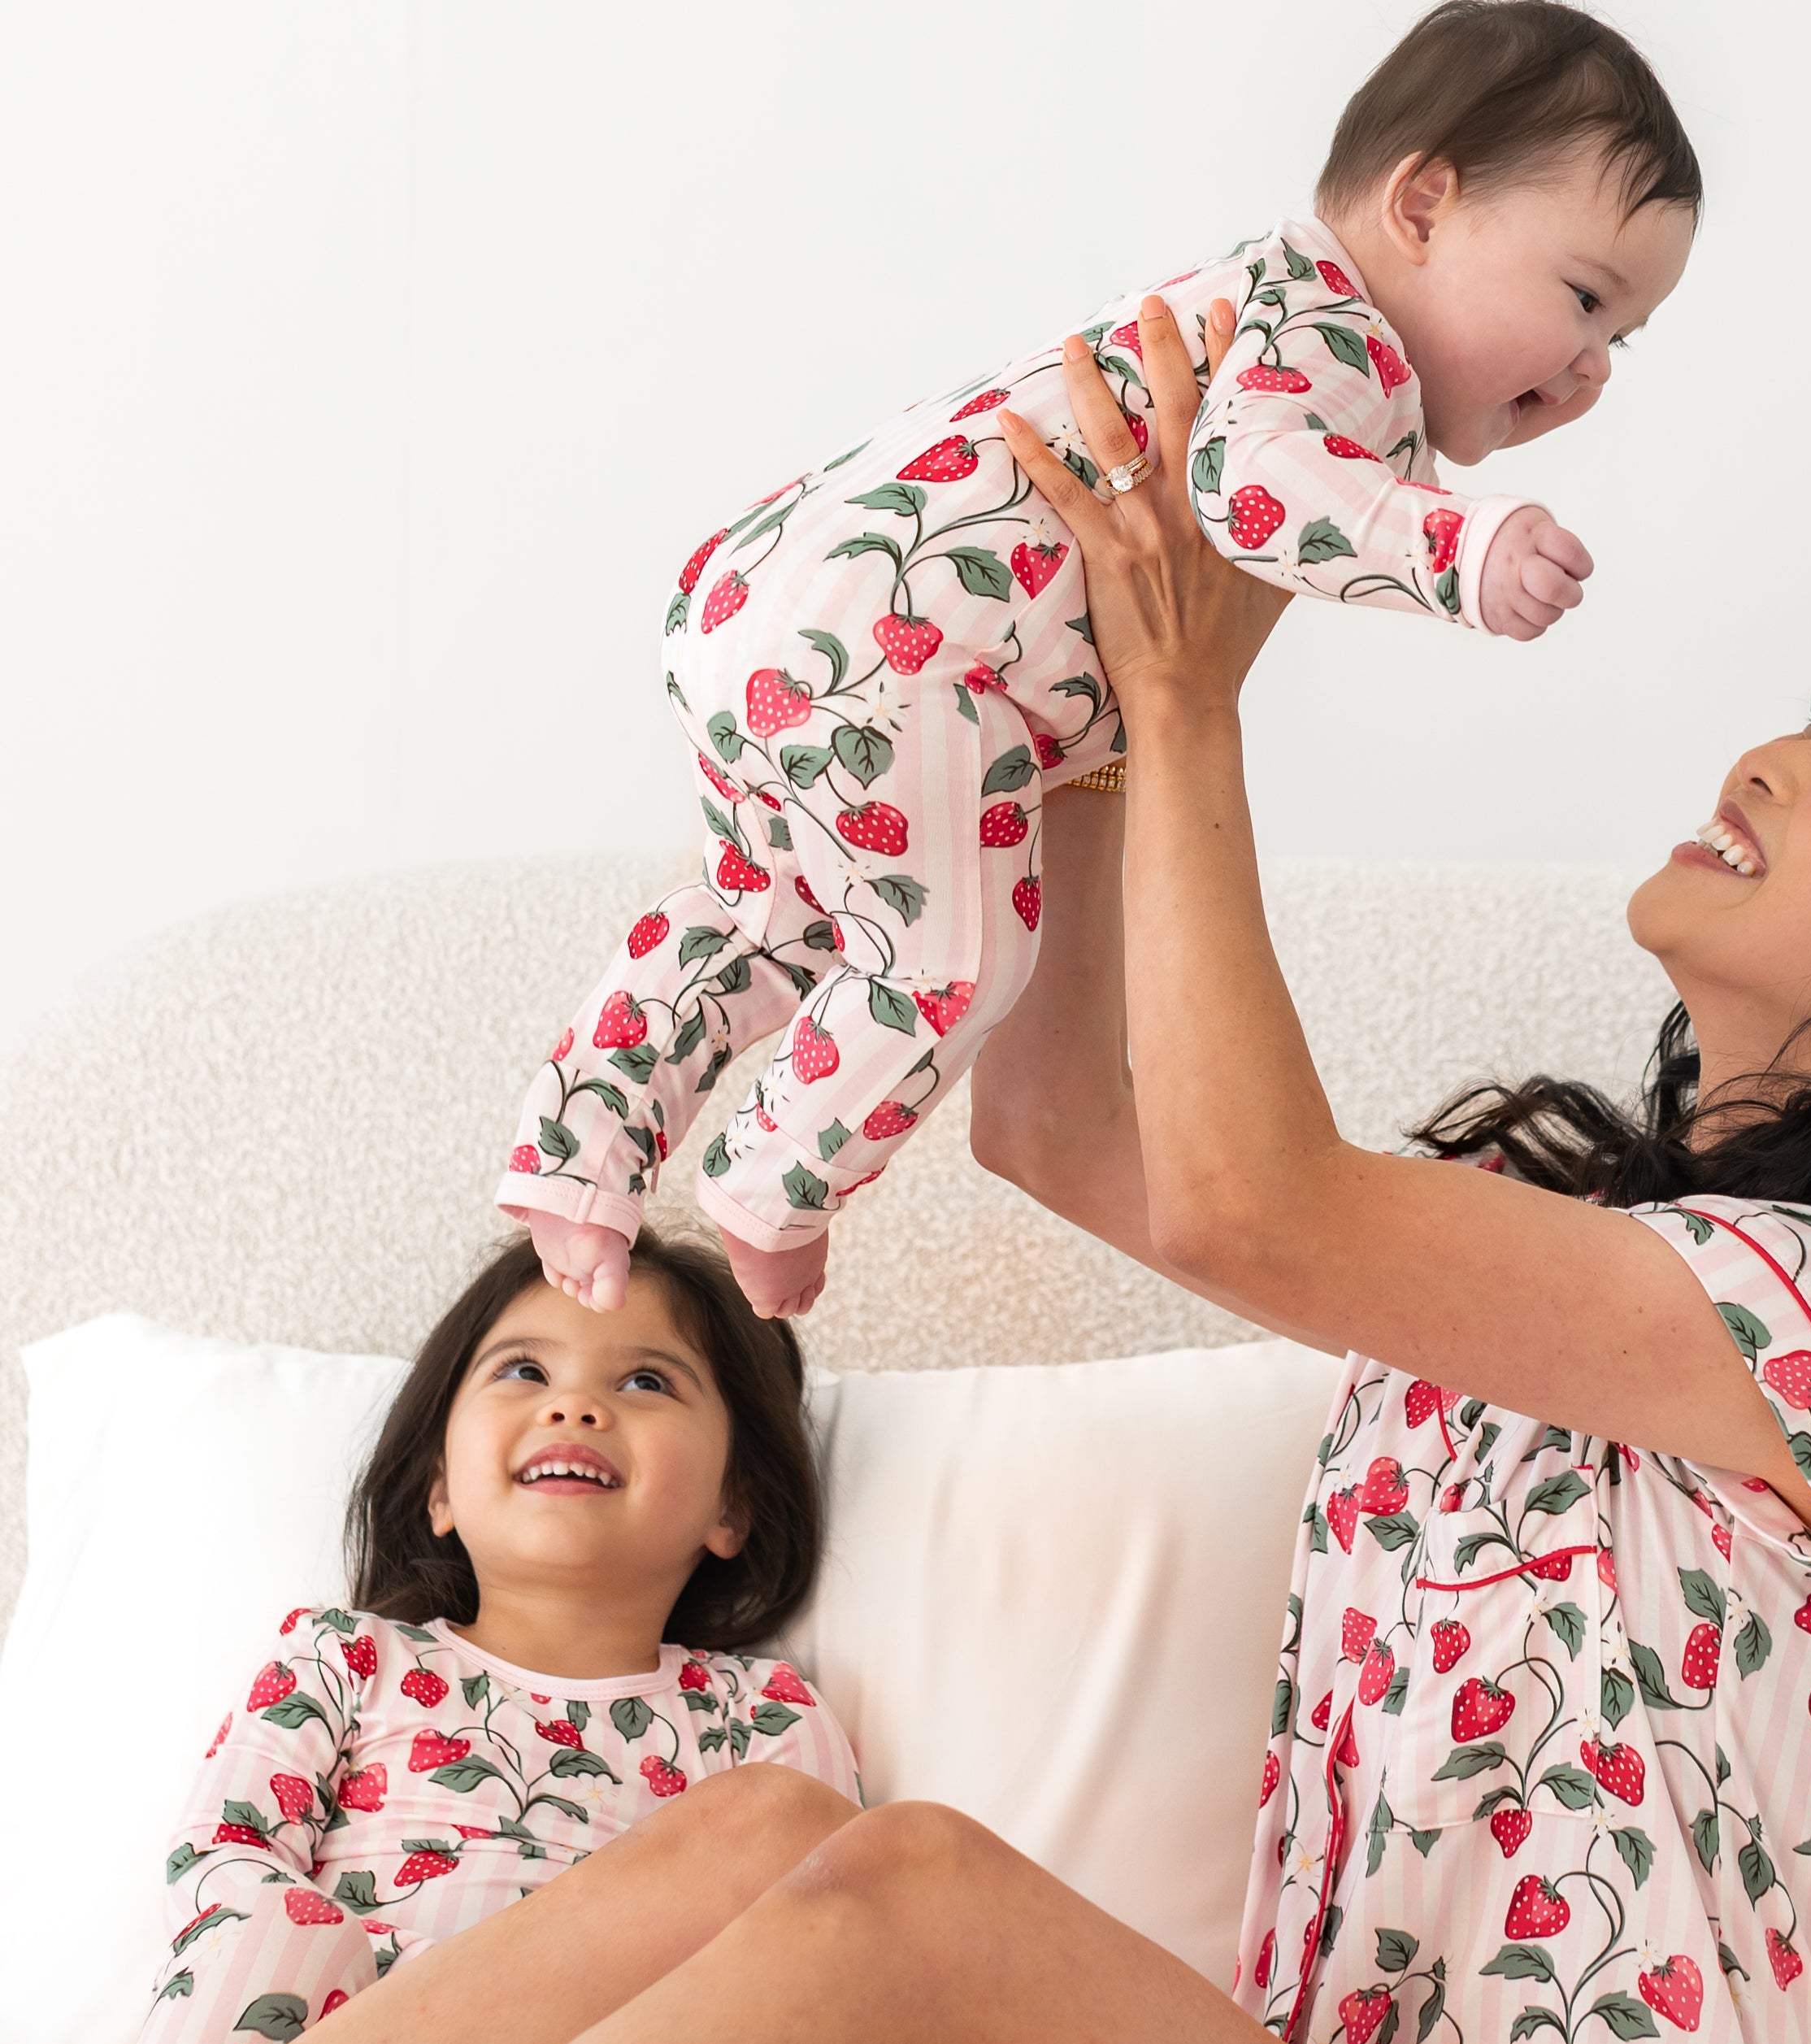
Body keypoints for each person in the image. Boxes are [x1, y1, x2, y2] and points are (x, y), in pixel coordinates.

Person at [0, 293, 1811, 2044]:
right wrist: (1080, 694)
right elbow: (1072, 1132)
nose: (1777, 752)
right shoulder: (1584, 1261)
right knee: (749, 1837)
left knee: (909, 1894)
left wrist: (1198, 691)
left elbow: (1242, 1194)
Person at [498, 0, 1700, 1327]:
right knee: (949, 964)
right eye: (1583, 298)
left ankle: (576, 1152)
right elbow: (1253, 489)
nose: (1591, 367)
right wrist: (1462, 551)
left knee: (762, 917)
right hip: (904, 656)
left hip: (767, 602)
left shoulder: (1265, 307)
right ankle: (769, 1182)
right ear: (1422, 205)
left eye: (1622, 337)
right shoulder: (1335, 335)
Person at [99, 1228, 860, 2044]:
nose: (574, 1407)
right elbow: (222, 1856)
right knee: (267, 1932)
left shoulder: (760, 1715)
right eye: (524, 1371)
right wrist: (413, 1994)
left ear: (731, 1507)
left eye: (646, 1382)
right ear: (439, 1488)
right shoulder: (343, 1657)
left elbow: (816, 1957)